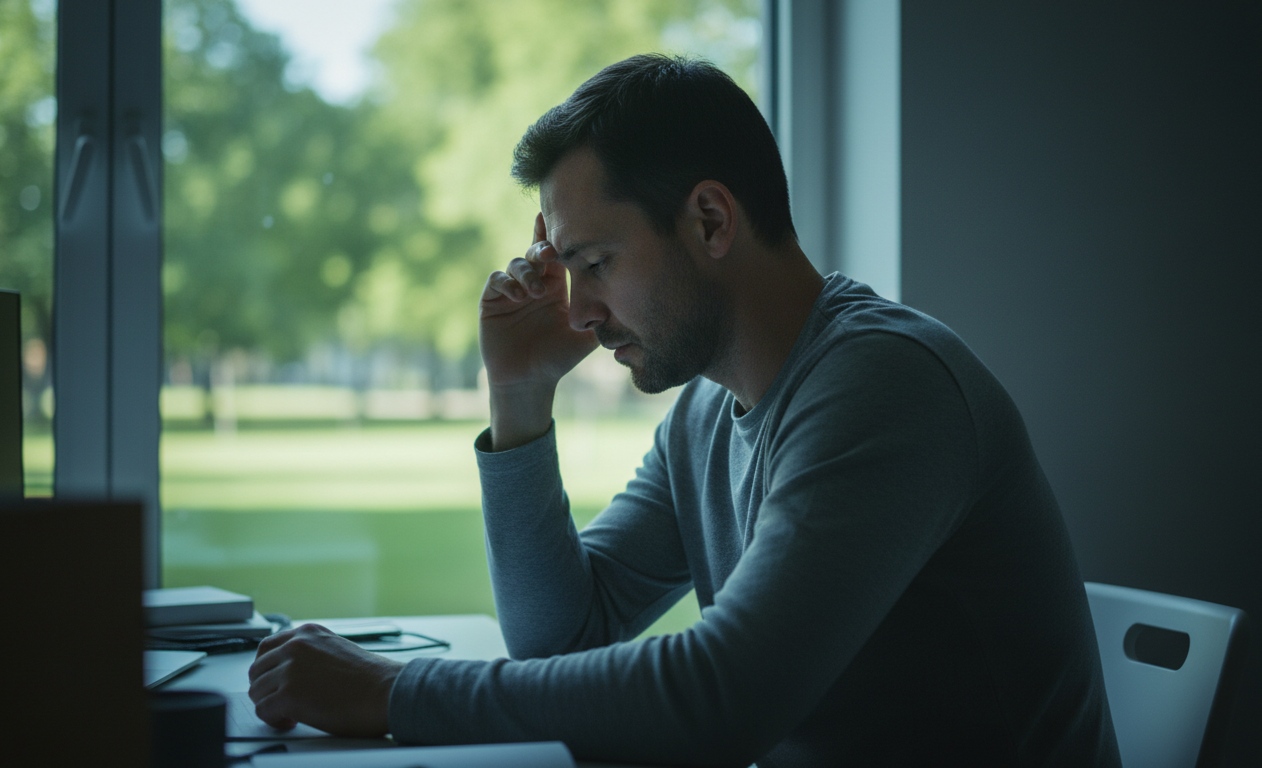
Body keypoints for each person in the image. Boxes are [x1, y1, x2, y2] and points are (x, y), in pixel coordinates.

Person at [247, 54, 1121, 767]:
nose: (578, 311)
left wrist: (390, 693)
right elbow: (561, 641)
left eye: (595, 261)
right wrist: (520, 397)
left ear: (709, 220)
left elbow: (723, 700)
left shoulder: (886, 386)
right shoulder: (707, 411)